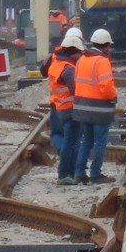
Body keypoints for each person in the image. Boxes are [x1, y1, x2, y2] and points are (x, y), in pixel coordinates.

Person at [67, 28, 119, 184]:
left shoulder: (82, 59)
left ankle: (79, 173)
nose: (109, 49)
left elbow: (77, 81)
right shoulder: (101, 61)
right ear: (105, 45)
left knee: (86, 141)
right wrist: (114, 97)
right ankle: (96, 173)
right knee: (100, 141)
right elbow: (106, 86)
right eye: (109, 46)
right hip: (99, 110)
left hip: (82, 108)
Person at [48, 28, 83, 182]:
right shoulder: (69, 69)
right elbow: (76, 90)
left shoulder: (57, 63)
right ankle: (68, 174)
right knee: (73, 142)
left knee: (68, 141)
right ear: (72, 52)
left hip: (60, 108)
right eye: (79, 53)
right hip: (70, 109)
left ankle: (66, 174)